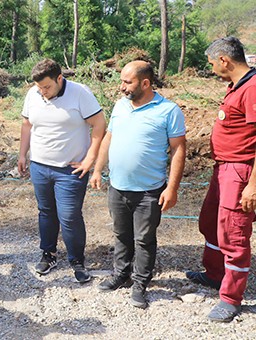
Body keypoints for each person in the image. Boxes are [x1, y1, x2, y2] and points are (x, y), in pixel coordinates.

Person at [91, 61, 186, 309]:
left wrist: (172, 188)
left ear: (145, 83)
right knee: (121, 234)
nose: (121, 87)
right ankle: (121, 275)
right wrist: (98, 169)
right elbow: (108, 138)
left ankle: (140, 283)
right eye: (121, 81)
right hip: (118, 187)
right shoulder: (120, 106)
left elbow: (178, 149)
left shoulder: (168, 110)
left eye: (127, 82)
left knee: (144, 239)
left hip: (149, 191)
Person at [186, 36, 256, 322]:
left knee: (234, 234)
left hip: (239, 172)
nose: (212, 67)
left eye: (213, 62)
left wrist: (253, 185)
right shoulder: (236, 87)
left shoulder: (252, 89)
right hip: (222, 169)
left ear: (225, 60)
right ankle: (215, 274)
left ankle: (231, 298)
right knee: (210, 222)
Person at [18, 58, 106, 283]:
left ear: (60, 78)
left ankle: (77, 260)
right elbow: (27, 125)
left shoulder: (80, 93)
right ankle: (49, 254)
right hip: (40, 166)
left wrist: (90, 160)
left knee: (69, 216)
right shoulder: (33, 94)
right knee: (45, 212)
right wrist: (22, 155)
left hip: (70, 170)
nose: (43, 92)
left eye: (47, 87)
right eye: (39, 88)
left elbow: (99, 124)